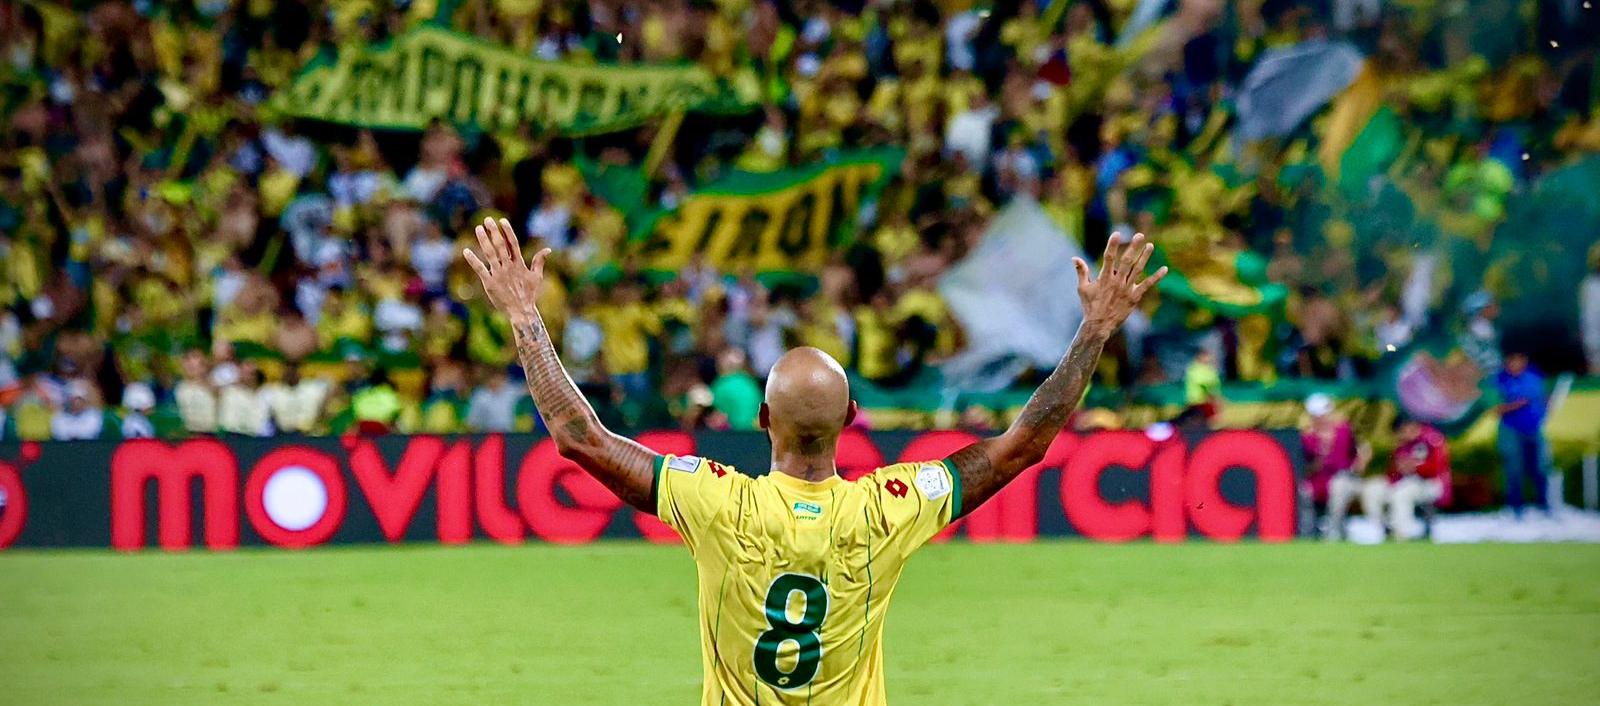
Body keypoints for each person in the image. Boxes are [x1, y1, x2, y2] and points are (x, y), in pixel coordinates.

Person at [463, 217, 1164, 704]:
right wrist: (1094, 331)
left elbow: (580, 437)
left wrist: (526, 318)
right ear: (852, 418)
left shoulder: (715, 501)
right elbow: (1023, 444)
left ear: (763, 420)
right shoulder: (889, 509)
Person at [1368, 417, 1452, 540]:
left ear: (1410, 426)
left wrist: (1414, 467)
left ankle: (1402, 533)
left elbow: (1436, 470)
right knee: (1372, 489)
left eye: (1402, 431)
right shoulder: (1402, 444)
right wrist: (1396, 472)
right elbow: (1392, 474)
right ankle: (1385, 528)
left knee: (1402, 493)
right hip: (1406, 483)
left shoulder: (1432, 438)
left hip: (1430, 484)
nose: (1401, 435)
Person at [1303, 394, 1367, 539]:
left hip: (1345, 479)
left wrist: (1360, 462)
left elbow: (1358, 453)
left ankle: (1334, 532)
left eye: (1326, 413)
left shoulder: (1344, 430)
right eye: (1320, 415)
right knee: (1304, 490)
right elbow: (1306, 469)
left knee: (1338, 485)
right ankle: (1307, 532)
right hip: (1317, 481)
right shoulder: (1307, 438)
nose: (1324, 417)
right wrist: (1317, 463)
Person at [1495, 351, 1550, 516]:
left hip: (1534, 429)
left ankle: (1543, 504)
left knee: (1540, 466)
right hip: (1511, 430)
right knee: (1514, 468)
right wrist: (1518, 404)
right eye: (1513, 360)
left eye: (1520, 359)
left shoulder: (1533, 378)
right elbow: (1495, 409)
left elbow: (1542, 398)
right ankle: (1515, 507)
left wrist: (1545, 407)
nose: (1517, 363)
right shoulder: (1499, 380)